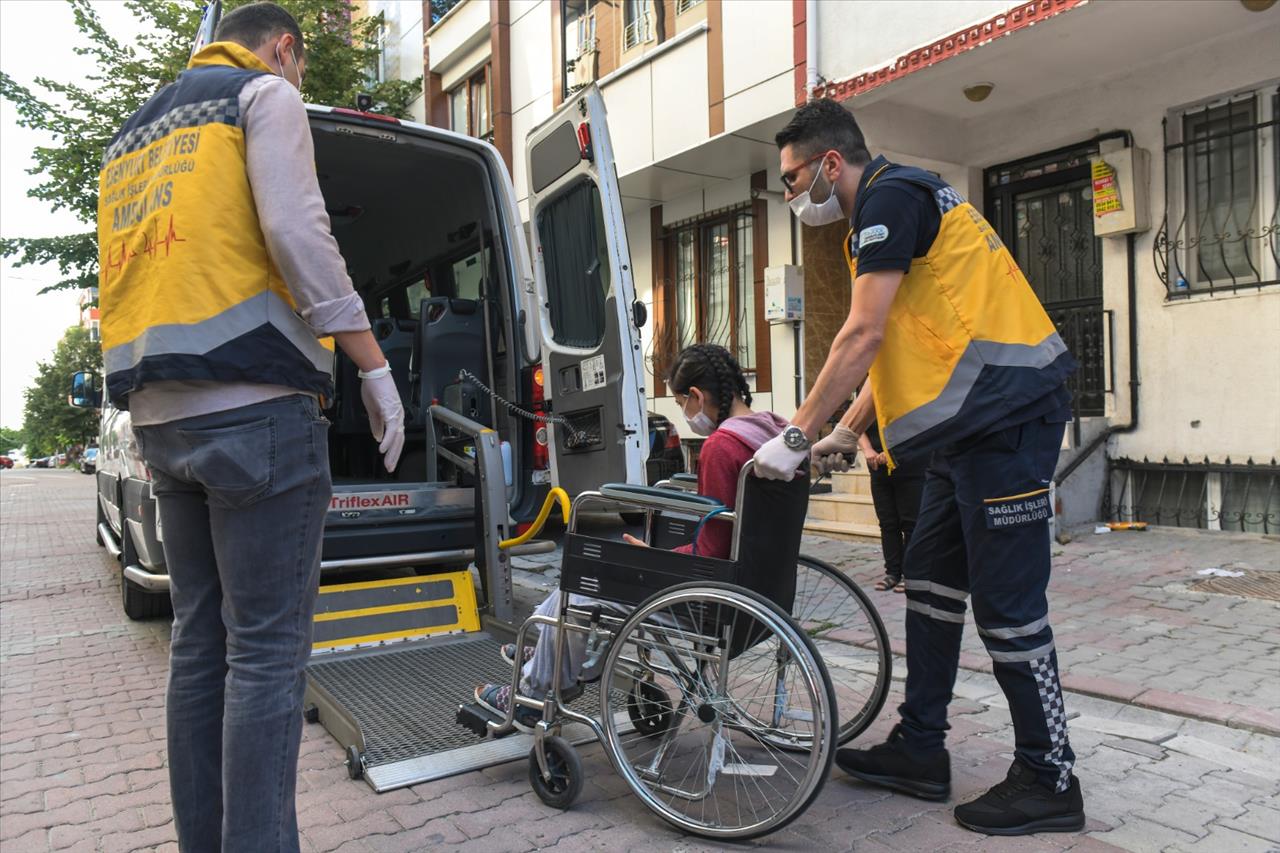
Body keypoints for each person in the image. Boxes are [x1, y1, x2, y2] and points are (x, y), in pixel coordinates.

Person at [96, 4, 404, 850]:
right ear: (285, 47)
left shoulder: (133, 134)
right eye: (298, 69)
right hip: (257, 410)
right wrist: (373, 365)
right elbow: (298, 231)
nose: (296, 84)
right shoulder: (262, 96)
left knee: (201, 645)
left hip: (160, 418)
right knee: (267, 653)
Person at [754, 98, 1084, 836]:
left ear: (829, 163)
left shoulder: (890, 198)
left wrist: (798, 435)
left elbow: (861, 331)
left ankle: (1049, 773)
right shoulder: (886, 213)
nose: (788, 193)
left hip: (1009, 418)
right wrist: (845, 429)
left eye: (791, 176)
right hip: (963, 434)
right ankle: (920, 747)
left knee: (1009, 608)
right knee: (931, 583)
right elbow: (900, 339)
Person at [474, 344, 787, 723]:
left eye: (681, 402)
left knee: (581, 583)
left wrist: (654, 558)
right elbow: (726, 533)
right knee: (592, 577)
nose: (685, 413)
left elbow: (712, 549)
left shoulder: (722, 447)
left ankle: (531, 693)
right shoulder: (773, 434)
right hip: (762, 590)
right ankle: (544, 648)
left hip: (710, 598)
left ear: (697, 397)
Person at [814, 385, 926, 593]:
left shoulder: (906, 386)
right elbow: (859, 425)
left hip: (910, 464)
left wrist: (894, 451)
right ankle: (892, 572)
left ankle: (913, 574)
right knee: (887, 522)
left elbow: (919, 425)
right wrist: (867, 449)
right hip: (877, 466)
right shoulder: (868, 386)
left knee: (910, 522)